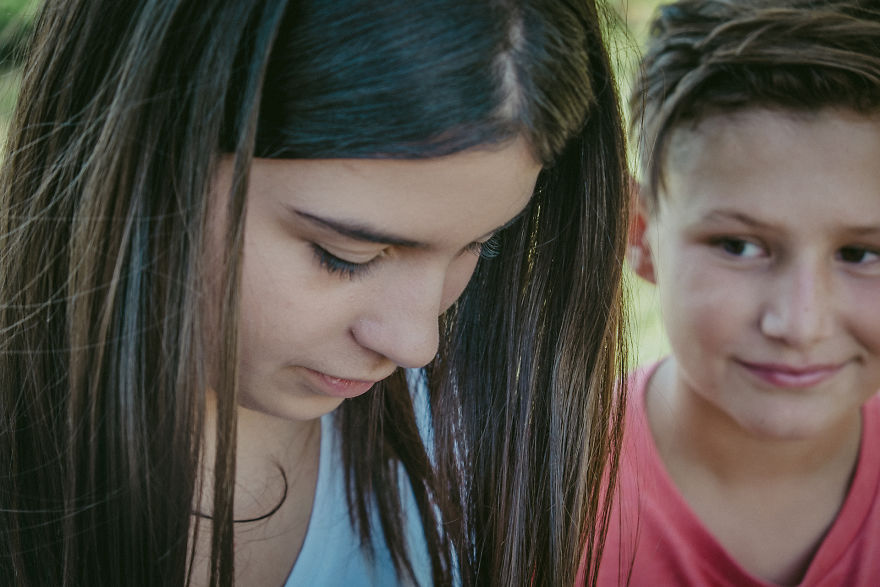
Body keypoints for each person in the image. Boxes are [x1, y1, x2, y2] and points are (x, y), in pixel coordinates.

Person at [0, 0, 632, 585]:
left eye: (480, 245)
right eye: (345, 255)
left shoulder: (465, 447)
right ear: (137, 148)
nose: (417, 343)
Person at [582, 1, 880, 585]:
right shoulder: (530, 497)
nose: (799, 323)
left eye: (862, 254)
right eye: (738, 246)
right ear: (641, 236)